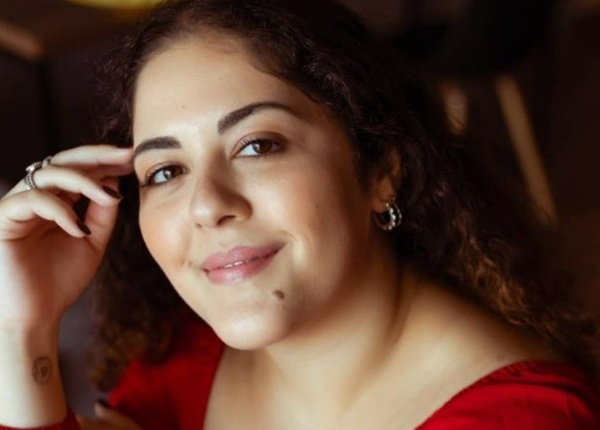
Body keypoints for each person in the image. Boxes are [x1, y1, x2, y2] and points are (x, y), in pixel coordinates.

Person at [0, 0, 599, 428]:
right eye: (165, 171)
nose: (207, 205)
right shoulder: (186, 357)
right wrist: (20, 330)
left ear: (381, 170)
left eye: (257, 145)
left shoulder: (520, 418)